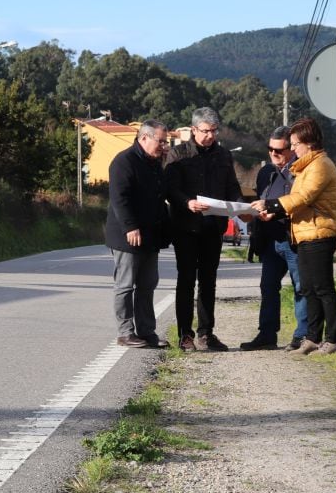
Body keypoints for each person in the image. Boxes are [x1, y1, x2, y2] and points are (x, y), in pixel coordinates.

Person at [250, 118, 336, 355]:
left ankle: (332, 340)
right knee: (309, 289)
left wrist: (270, 205)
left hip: (319, 232)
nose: (293, 149)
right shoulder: (305, 166)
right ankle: (312, 338)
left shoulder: (320, 165)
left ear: (309, 143)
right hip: (304, 233)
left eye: (295, 144)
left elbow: (304, 196)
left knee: (323, 288)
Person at [165, 107, 243, 352]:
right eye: (205, 131)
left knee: (208, 282)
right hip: (186, 227)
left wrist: (242, 208)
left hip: (213, 227)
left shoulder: (223, 155)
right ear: (194, 129)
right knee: (186, 280)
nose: (210, 135)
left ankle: (206, 333)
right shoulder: (177, 154)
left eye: (214, 131)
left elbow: (231, 186)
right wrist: (187, 202)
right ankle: (185, 335)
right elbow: (169, 189)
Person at [240, 126, 309, 351]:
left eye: (279, 150)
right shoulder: (265, 172)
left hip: (293, 239)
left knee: (301, 287)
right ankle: (267, 335)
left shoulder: (301, 170)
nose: (273, 154)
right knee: (268, 287)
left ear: (291, 149)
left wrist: (275, 211)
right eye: (270, 149)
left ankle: (303, 335)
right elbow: (262, 199)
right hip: (270, 241)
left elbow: (303, 202)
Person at [105, 120, 171, 349]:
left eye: (166, 141)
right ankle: (125, 333)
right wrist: (130, 227)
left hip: (151, 236)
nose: (164, 146)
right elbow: (119, 199)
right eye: (160, 141)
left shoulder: (155, 164)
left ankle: (146, 332)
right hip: (128, 236)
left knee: (147, 284)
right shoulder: (124, 161)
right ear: (144, 138)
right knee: (125, 285)